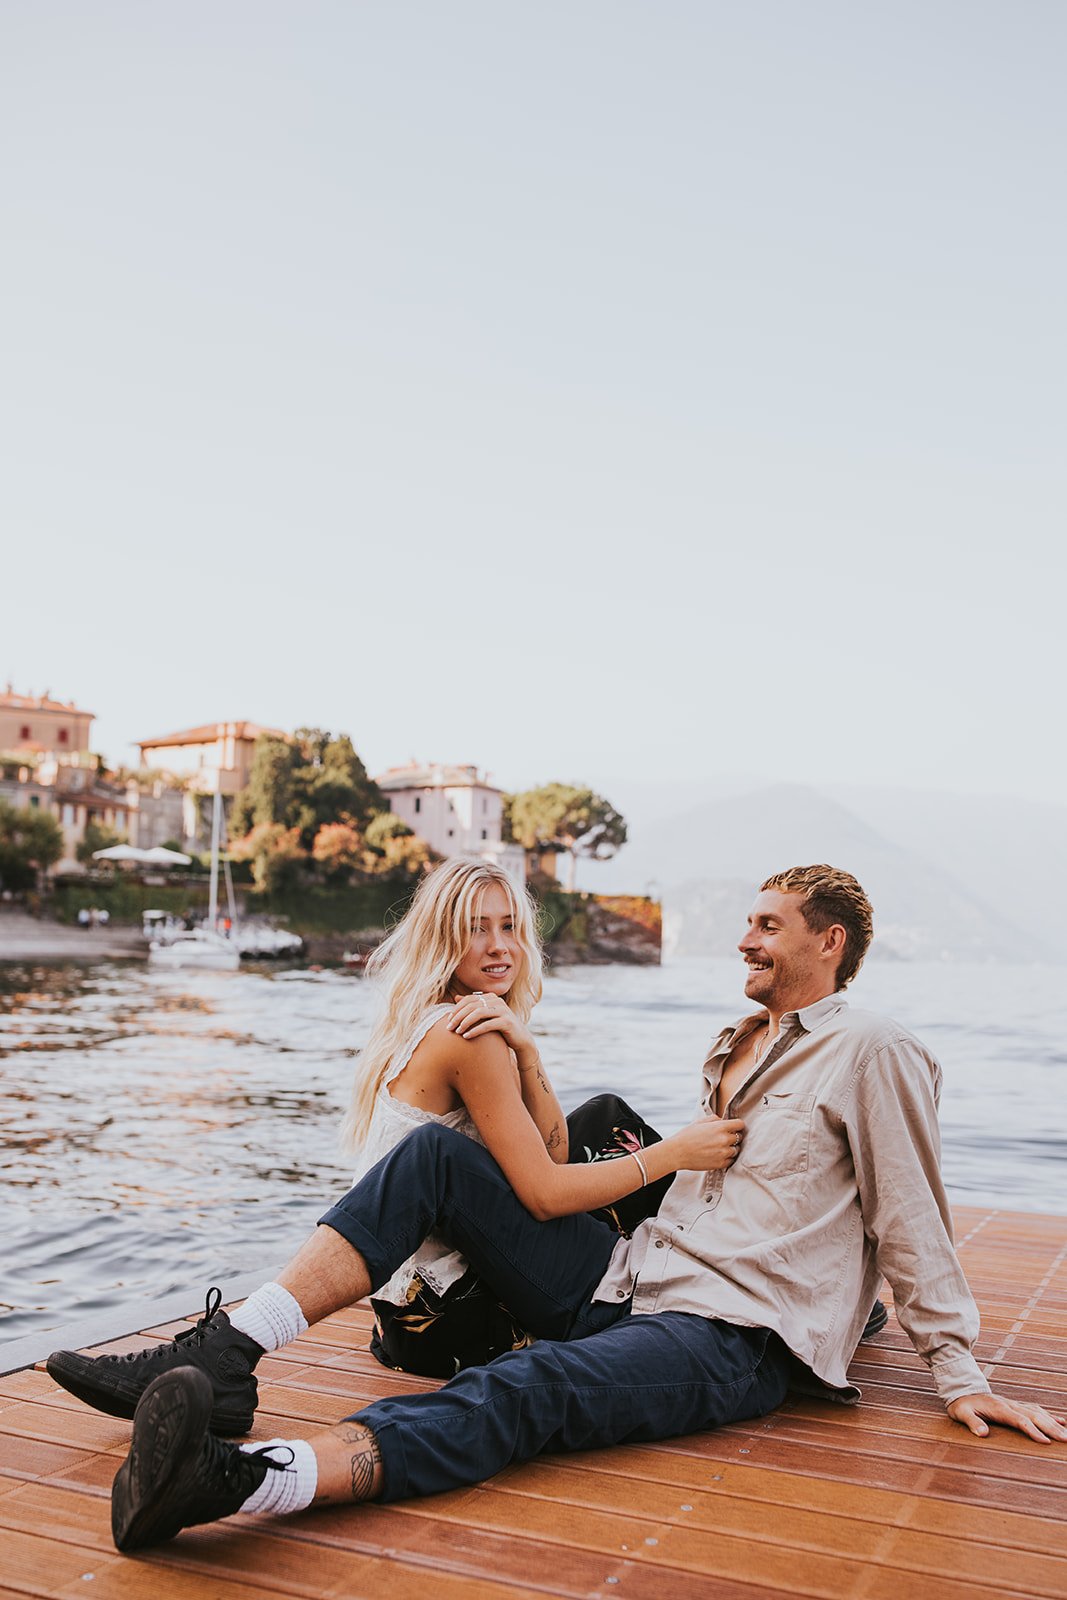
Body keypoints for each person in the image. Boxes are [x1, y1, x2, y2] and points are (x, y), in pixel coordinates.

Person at [46, 865, 1065, 1554]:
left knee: (524, 1386)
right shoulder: (740, 1041)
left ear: (827, 942)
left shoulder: (871, 1048)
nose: (742, 935)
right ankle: (230, 1353)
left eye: (766, 922)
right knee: (436, 1160)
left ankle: (241, 1479)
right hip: (637, 1277)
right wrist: (534, 1061)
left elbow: (910, 1212)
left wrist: (957, 1367)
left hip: (730, 1335)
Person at [336, 855, 677, 1374]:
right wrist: (676, 1153)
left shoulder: (454, 1013)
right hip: (452, 1317)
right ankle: (701, 1268)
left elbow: (555, 1152)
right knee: (638, 1158)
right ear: (442, 941)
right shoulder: (469, 1034)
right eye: (477, 930)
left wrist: (528, 1053)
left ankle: (690, 1252)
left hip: (401, 1317)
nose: (500, 946)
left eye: (510, 926)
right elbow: (545, 1193)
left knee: (606, 1117)